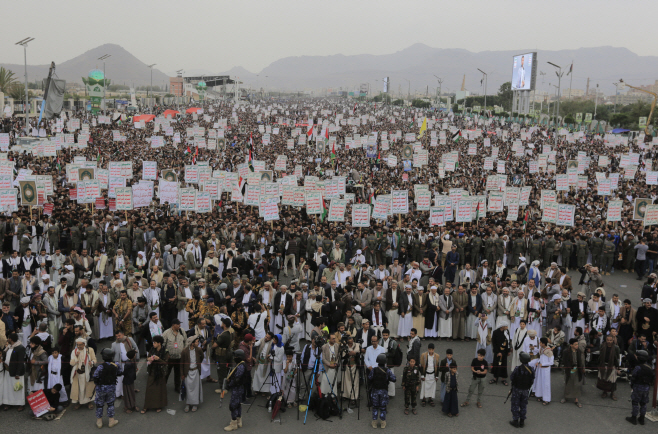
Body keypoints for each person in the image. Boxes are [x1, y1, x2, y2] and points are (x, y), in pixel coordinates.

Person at [93, 348, 121, 428]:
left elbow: (95, 376)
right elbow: (119, 373)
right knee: (111, 404)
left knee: (99, 405)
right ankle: (111, 421)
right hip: (111, 387)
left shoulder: (100, 367)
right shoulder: (116, 365)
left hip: (100, 388)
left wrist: (97, 383)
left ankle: (99, 422)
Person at [141, 334, 169, 413]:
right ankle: (146, 406)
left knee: (159, 390)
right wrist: (149, 358)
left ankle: (158, 406)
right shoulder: (152, 349)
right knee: (149, 388)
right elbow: (148, 357)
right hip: (152, 371)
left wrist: (159, 359)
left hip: (160, 372)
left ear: (159, 343)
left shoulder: (165, 351)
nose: (153, 344)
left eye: (155, 343)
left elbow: (166, 362)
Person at [626, 350, 655, 425]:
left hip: (638, 387)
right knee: (643, 403)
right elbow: (652, 378)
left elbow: (633, 378)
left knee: (635, 402)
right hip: (646, 388)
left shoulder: (638, 367)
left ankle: (633, 418)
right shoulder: (649, 367)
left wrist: (632, 385)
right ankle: (642, 418)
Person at [368, 353, 396, 428]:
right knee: (383, 407)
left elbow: (369, 378)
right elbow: (394, 379)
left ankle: (374, 422)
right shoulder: (388, 371)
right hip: (384, 391)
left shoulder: (374, 370)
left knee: (375, 407)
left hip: (375, 391)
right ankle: (383, 422)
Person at [509, 351, 535, 428]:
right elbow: (532, 378)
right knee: (523, 405)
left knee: (515, 405)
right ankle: (522, 421)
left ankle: (515, 421)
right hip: (525, 390)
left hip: (517, 389)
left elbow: (512, 377)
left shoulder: (518, 369)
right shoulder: (531, 369)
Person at [1, 333, 26, 411]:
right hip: (8, 372)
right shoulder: (8, 347)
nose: (7, 339)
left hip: (16, 373)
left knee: (18, 388)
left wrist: (17, 373)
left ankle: (20, 404)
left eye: (8, 338)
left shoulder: (20, 348)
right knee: (9, 388)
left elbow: (21, 362)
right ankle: (9, 403)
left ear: (10, 339)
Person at [70, 337, 97, 410]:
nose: (78, 346)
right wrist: (77, 356)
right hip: (78, 374)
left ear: (84, 344)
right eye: (77, 345)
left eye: (80, 345)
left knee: (88, 388)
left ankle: (89, 402)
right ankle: (80, 402)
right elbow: (71, 363)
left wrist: (91, 362)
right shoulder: (74, 351)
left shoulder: (90, 350)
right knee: (79, 389)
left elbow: (95, 359)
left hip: (87, 373)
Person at [224, 349, 247, 431]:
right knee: (237, 404)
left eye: (236, 356)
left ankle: (233, 424)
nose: (234, 358)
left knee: (233, 405)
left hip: (237, 388)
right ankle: (238, 420)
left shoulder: (241, 366)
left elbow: (236, 379)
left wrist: (228, 386)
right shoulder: (241, 364)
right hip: (240, 388)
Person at [181, 335, 204, 412]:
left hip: (196, 371)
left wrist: (198, 365)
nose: (198, 343)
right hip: (188, 372)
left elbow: (202, 357)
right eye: (197, 342)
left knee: (195, 388)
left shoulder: (199, 350)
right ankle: (187, 404)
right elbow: (182, 364)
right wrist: (182, 374)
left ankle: (195, 404)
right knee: (188, 388)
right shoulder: (184, 351)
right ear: (192, 343)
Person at [560, 338, 585, 407]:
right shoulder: (566, 351)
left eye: (577, 344)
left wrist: (583, 368)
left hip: (577, 369)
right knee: (568, 383)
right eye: (575, 344)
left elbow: (582, 360)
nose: (577, 346)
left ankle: (576, 399)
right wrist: (569, 368)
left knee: (577, 384)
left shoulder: (579, 351)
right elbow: (564, 361)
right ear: (571, 345)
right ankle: (566, 397)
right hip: (569, 370)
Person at [530, 337, 554, 405]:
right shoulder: (542, 349)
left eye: (540, 342)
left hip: (545, 369)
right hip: (540, 369)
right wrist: (538, 361)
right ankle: (539, 395)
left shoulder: (549, 351)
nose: (539, 343)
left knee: (545, 384)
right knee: (539, 382)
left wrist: (543, 364)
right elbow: (541, 357)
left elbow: (551, 362)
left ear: (543, 343)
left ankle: (546, 399)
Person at [596, 333, 620, 400]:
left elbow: (617, 358)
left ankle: (612, 393)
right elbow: (600, 356)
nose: (609, 341)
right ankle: (605, 392)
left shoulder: (616, 348)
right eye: (608, 340)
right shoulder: (602, 346)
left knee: (612, 380)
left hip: (612, 366)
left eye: (610, 340)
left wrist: (617, 367)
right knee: (604, 379)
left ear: (613, 341)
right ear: (606, 340)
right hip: (603, 365)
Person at [490, 318, 510, 385]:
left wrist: (508, 351)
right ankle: (495, 378)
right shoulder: (495, 332)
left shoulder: (507, 332)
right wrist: (497, 352)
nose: (507, 327)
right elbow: (494, 343)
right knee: (496, 364)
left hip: (504, 351)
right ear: (503, 326)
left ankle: (503, 379)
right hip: (497, 351)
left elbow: (508, 342)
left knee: (503, 364)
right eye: (506, 326)